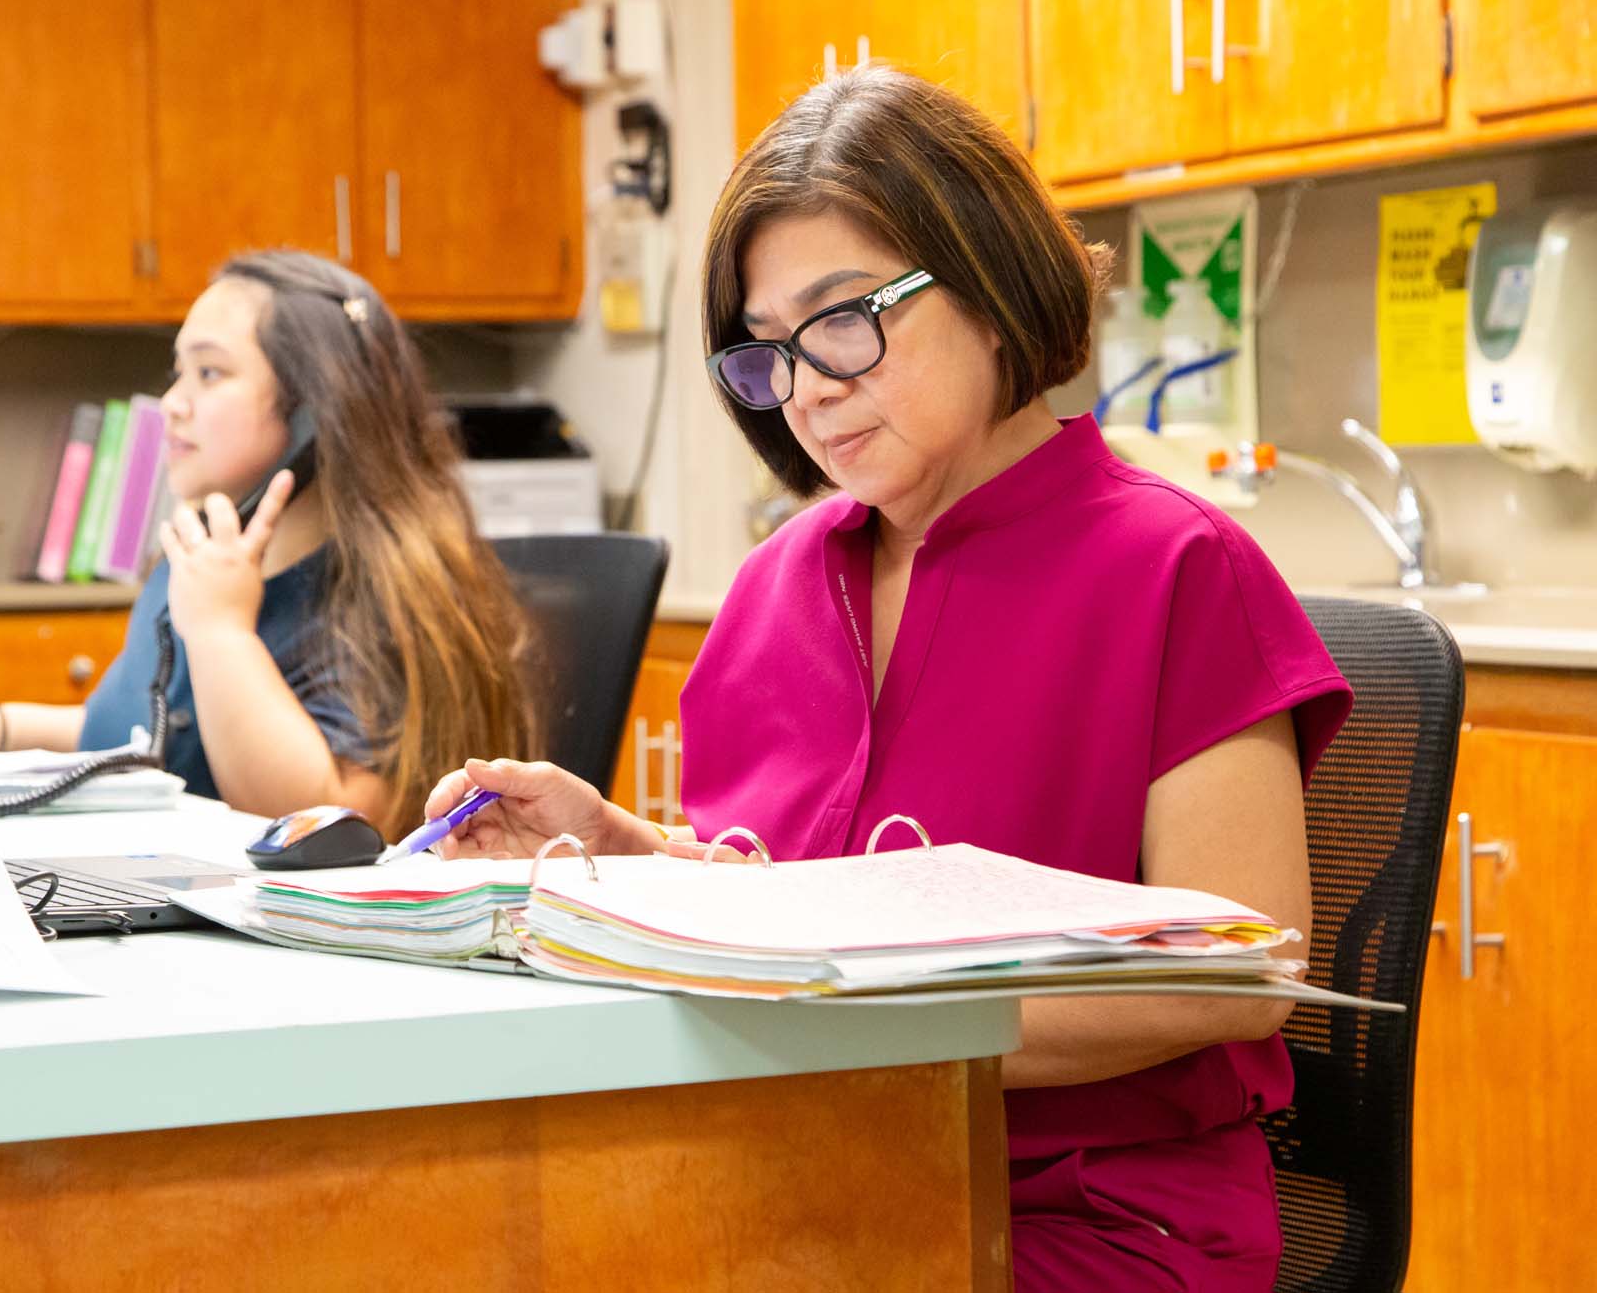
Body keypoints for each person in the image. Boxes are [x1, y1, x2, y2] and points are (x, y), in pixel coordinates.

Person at [421, 67, 1351, 1290]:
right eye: (767, 354)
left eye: (844, 319)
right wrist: (624, 849)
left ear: (988, 274)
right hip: (810, 1175)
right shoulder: (773, 590)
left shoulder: (1177, 566)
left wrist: (856, 1028)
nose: (805, 389)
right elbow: (803, 912)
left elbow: (1241, 975)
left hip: (1091, 1216)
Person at [0, 250, 537, 836]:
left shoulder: (387, 595)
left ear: (315, 409)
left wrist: (225, 632)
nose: (172, 402)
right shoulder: (198, 564)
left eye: (210, 373)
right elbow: (155, 738)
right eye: (179, 372)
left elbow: (328, 827)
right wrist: (0, 728)